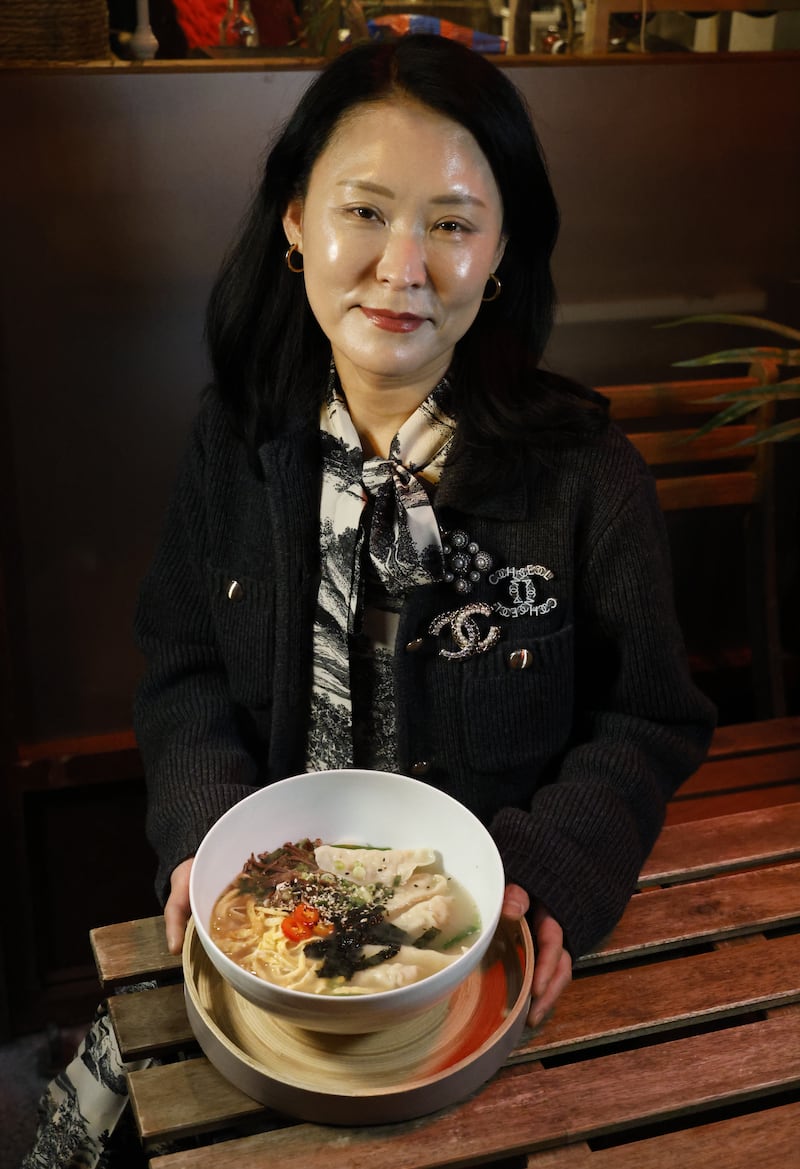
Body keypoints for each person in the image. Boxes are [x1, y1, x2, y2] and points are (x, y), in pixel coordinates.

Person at [24, 32, 715, 1169]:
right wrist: (203, 831)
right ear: (296, 222)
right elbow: (183, 660)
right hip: (268, 924)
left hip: (473, 944)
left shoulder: (589, 475)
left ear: (499, 254)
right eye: (365, 211)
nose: (403, 267)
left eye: (449, 222)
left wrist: (548, 873)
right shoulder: (235, 442)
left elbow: (648, 716)